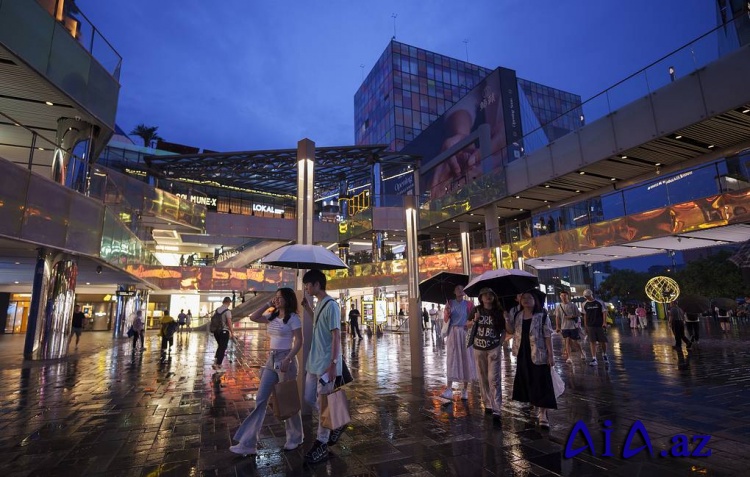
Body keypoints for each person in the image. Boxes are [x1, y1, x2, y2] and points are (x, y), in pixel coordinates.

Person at [231, 288, 303, 456]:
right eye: (275, 297)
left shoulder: (293, 318)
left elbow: (299, 341)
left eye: (280, 297)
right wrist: (267, 304)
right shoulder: (271, 316)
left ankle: (295, 437)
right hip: (271, 360)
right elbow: (253, 317)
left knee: (287, 401)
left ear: (288, 299)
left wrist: (288, 358)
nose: (276, 300)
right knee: (261, 400)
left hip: (286, 359)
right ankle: (248, 443)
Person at [301, 269, 344, 464]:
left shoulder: (332, 306)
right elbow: (318, 323)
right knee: (309, 398)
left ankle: (322, 440)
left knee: (325, 402)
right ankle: (335, 420)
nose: (307, 289)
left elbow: (336, 335)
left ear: (317, 284)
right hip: (314, 361)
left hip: (326, 363)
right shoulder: (319, 305)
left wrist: (334, 364)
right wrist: (308, 309)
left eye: (308, 285)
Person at [508, 291, 556, 428]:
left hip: (539, 354)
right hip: (522, 353)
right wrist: (506, 318)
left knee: (541, 383)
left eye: (530, 298)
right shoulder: (518, 315)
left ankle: (543, 414)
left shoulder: (542, 315)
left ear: (536, 300)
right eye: (523, 298)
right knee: (528, 381)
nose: (526, 300)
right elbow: (511, 331)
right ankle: (534, 404)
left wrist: (550, 355)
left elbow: (547, 336)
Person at [469, 288, 506, 423]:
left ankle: (497, 407)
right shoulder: (476, 310)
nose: (488, 297)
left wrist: (500, 343)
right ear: (480, 297)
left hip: (493, 348)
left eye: (491, 294)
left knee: (494, 378)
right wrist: (475, 320)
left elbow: (504, 330)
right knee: (483, 377)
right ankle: (487, 403)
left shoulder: (499, 311)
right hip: (479, 348)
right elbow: (466, 325)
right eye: (485, 295)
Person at [440, 284, 477, 400]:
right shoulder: (449, 303)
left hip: (465, 332)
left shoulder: (470, 304)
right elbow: (446, 320)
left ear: (464, 292)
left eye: (462, 289)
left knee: (466, 359)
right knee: (452, 359)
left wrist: (469, 324)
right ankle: (449, 388)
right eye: (457, 289)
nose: (460, 291)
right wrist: (447, 312)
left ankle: (465, 389)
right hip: (453, 332)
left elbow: (473, 319)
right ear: (454, 291)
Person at [554, 292, 584, 363]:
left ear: (568, 296)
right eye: (562, 295)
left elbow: (578, 314)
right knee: (566, 341)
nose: (563, 297)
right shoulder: (559, 306)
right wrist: (557, 327)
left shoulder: (573, 305)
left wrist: (571, 317)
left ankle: (582, 353)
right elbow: (557, 317)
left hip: (573, 326)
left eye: (565, 295)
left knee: (575, 342)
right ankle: (569, 357)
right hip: (564, 327)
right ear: (560, 297)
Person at [582, 289, 609, 366]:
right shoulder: (584, 304)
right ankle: (594, 358)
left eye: (588, 296)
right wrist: (585, 325)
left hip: (599, 324)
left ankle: (604, 354)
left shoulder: (599, 302)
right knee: (592, 341)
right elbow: (585, 315)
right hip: (590, 325)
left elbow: (604, 312)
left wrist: (604, 322)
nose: (587, 297)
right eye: (586, 296)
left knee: (603, 341)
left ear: (591, 295)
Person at [212, 297, 235, 371]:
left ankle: (216, 362)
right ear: (228, 302)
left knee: (220, 346)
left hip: (216, 331)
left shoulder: (217, 310)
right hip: (224, 331)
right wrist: (232, 332)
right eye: (229, 303)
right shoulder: (227, 311)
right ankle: (218, 365)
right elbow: (229, 322)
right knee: (223, 348)